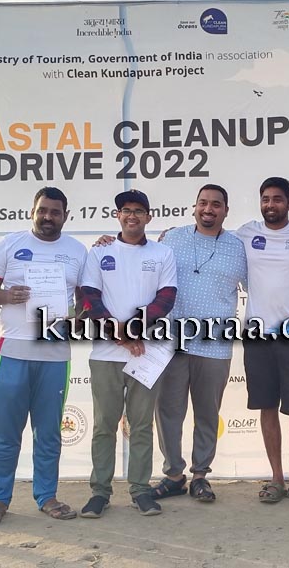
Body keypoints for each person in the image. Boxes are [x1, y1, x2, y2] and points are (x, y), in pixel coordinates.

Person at [0, 187, 87, 527]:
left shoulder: (77, 251)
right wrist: (7, 296)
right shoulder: (10, 244)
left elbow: (85, 300)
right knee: (5, 432)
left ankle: (47, 496)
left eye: (55, 212)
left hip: (55, 353)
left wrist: (77, 318)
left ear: (66, 216)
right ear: (32, 211)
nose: (48, 217)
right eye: (43, 210)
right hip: (13, 350)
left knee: (49, 432)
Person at [78, 189, 177, 518]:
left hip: (145, 354)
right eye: (126, 210)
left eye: (138, 210)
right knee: (104, 426)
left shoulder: (163, 253)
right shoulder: (100, 252)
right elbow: (89, 297)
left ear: (149, 216)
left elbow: (166, 298)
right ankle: (100, 492)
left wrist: (132, 330)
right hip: (106, 355)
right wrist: (119, 334)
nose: (132, 215)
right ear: (117, 215)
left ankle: (140, 490)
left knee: (141, 425)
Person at [152, 184, 247, 503]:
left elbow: (261, 286)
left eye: (216, 204)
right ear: (194, 207)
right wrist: (108, 243)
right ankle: (173, 475)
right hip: (173, 342)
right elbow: (141, 264)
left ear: (226, 211)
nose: (209, 209)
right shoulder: (171, 238)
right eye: (203, 203)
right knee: (168, 411)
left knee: (207, 413)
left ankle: (200, 476)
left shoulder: (238, 247)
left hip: (215, 345)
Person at [235, 177, 289, 506]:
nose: (271, 204)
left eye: (278, 199)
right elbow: (209, 238)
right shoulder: (245, 233)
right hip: (257, 337)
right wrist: (171, 235)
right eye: (266, 199)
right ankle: (277, 478)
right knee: (267, 407)